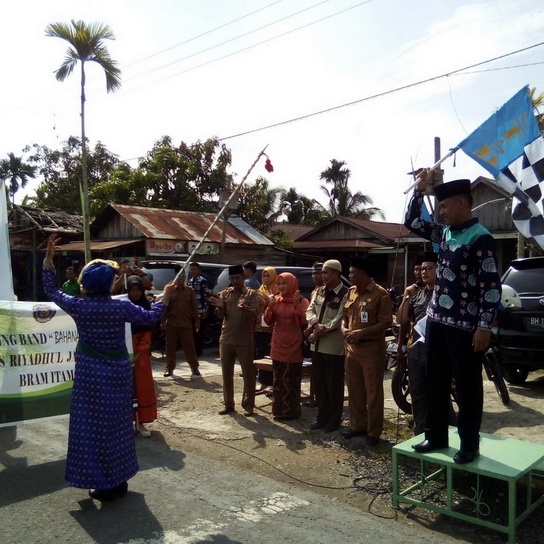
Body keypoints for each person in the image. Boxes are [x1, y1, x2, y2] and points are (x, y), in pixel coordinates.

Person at [42, 234, 174, 502]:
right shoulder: (121, 307)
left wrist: (48, 261)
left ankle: (101, 484)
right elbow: (150, 317)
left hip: (89, 376)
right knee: (118, 427)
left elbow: (51, 291)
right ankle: (119, 480)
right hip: (117, 375)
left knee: (90, 429)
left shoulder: (78, 306)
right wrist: (165, 298)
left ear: (86, 285)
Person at [405, 172, 501, 464]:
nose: (442, 212)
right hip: (437, 321)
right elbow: (413, 222)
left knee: (468, 385)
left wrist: (483, 327)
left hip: (466, 327)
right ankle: (435, 436)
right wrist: (419, 190)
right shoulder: (445, 233)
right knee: (436, 381)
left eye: (444, 206)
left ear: (461, 203)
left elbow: (491, 287)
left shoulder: (480, 237)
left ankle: (469, 444)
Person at [396, 252, 456, 436]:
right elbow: (402, 319)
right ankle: (421, 433)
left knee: (440, 396)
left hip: (438, 353)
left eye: (429, 268)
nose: (424, 272)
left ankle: (451, 433)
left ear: (439, 270)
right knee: (418, 395)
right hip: (417, 352)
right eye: (422, 269)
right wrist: (407, 296)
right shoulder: (418, 294)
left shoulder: (447, 293)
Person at [341, 257, 392, 446]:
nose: (349, 275)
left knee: (373, 392)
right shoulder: (351, 292)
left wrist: (362, 332)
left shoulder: (380, 294)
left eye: (352, 272)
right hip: (352, 349)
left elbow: (385, 322)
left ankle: (374, 431)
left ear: (362, 273)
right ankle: (357, 426)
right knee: (355, 390)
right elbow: (344, 316)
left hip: (371, 349)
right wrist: (344, 329)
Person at [210, 265, 261, 416]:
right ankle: (228, 404)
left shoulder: (252, 294)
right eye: (231, 279)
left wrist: (244, 307)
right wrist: (219, 308)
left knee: (248, 374)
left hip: (244, 340)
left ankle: (248, 405)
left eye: (237, 278)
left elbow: (256, 315)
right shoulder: (225, 294)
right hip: (226, 339)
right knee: (226, 373)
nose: (234, 281)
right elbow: (220, 316)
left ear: (243, 278)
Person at [305, 259, 348, 432]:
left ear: (336, 274)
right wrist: (315, 324)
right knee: (319, 384)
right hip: (317, 345)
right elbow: (309, 310)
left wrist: (323, 329)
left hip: (333, 346)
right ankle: (321, 417)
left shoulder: (345, 293)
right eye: (322, 272)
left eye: (326, 273)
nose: (323, 276)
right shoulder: (318, 291)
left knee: (334, 385)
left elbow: (340, 317)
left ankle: (334, 420)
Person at [264, 272, 309, 420]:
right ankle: (278, 411)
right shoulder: (276, 300)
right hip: (278, 343)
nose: (282, 286)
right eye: (280, 283)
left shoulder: (302, 301)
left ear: (292, 284)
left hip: (294, 343)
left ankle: (292, 412)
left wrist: (297, 307)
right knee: (278, 378)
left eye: (285, 283)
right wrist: (269, 307)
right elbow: (268, 321)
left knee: (293, 379)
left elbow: (305, 323)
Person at [127, 275, 157, 438]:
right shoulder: (122, 307)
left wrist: (139, 352)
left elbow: (148, 332)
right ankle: (126, 423)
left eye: (138, 290)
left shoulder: (145, 307)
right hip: (123, 352)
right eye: (132, 290)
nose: (135, 293)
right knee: (125, 388)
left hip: (141, 354)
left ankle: (141, 422)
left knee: (141, 387)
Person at [162, 270, 201, 378]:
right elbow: (166, 307)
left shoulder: (190, 291)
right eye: (179, 277)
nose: (181, 279)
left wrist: (197, 321)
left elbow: (194, 307)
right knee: (170, 347)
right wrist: (162, 321)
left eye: (183, 277)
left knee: (189, 346)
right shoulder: (171, 290)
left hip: (186, 323)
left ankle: (194, 367)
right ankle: (169, 368)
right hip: (172, 323)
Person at [186, 262, 211, 357]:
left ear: (199, 270)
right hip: (191, 311)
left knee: (199, 332)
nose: (193, 271)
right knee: (191, 332)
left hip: (201, 310)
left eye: (194, 269)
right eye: (191, 269)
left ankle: (198, 351)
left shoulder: (203, 281)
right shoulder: (189, 282)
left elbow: (206, 296)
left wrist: (205, 310)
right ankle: (192, 351)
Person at [255, 266, 278, 360]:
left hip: (272, 325)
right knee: (259, 349)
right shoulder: (260, 291)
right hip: (259, 326)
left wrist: (270, 301)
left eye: (268, 276)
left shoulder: (278, 291)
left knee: (269, 350)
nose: (266, 278)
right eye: (264, 276)